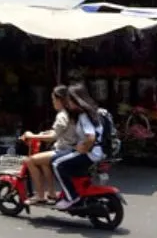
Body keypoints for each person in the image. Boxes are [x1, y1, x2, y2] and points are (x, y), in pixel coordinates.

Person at [20, 86, 78, 205]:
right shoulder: (70, 112)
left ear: (60, 100)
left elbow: (54, 136)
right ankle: (51, 193)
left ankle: (40, 195)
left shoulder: (62, 115)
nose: (52, 103)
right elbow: (58, 131)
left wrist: (32, 136)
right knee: (44, 162)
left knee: (30, 160)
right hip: (69, 148)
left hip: (64, 150)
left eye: (53, 99)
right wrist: (41, 134)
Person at [51, 83, 105, 211]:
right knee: (61, 158)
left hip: (90, 152)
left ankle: (71, 197)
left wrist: (83, 148)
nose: (68, 102)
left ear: (76, 100)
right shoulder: (94, 111)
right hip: (99, 151)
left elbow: (90, 137)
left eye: (70, 99)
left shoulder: (83, 116)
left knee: (56, 164)